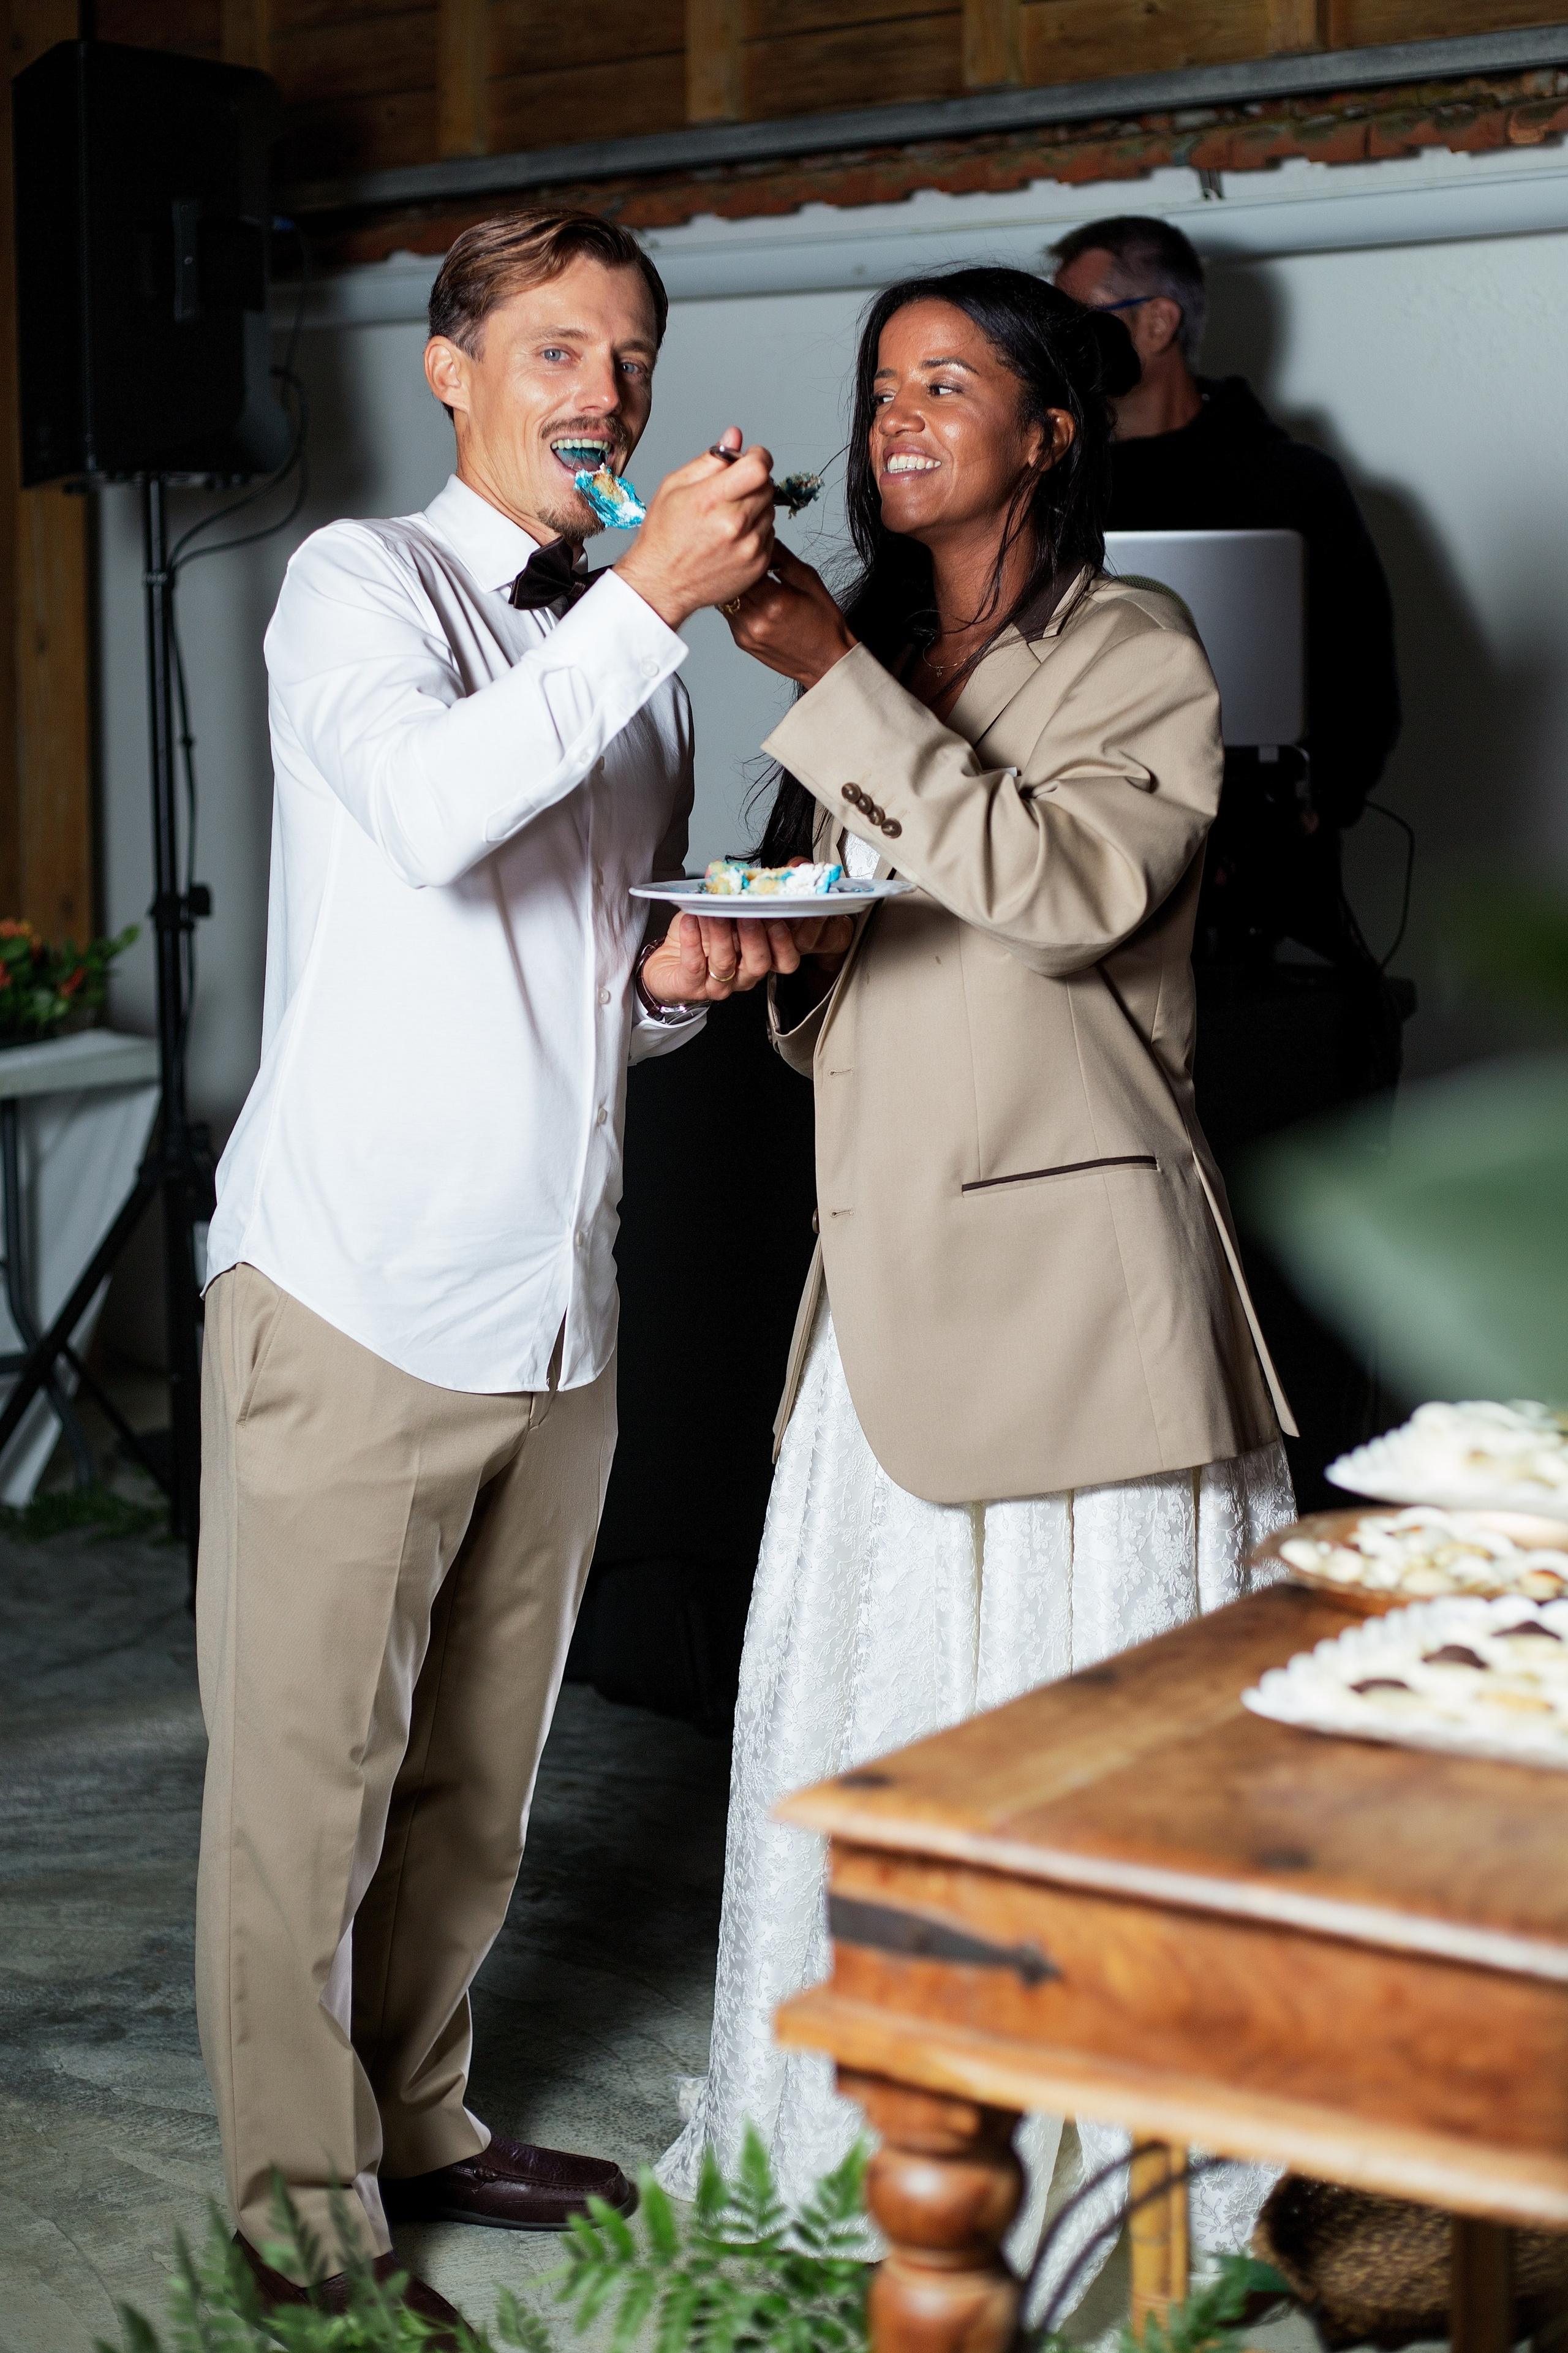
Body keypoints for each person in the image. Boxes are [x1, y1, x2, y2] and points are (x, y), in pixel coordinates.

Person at [195, 206, 833, 2335]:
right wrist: (652, 602)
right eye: (557, 349)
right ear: (452, 368)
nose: (607, 393)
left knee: (483, 1769)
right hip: (357, 1286)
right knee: (311, 1786)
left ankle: (428, 2117)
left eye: (633, 357)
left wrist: (677, 973)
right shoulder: (351, 588)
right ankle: (304, 2221)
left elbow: (573, 984)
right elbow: (440, 814)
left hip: (561, 1300)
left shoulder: (625, 666)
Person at [657, 266, 1295, 2303]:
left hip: (1076, 1299)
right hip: (879, 1281)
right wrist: (789, 970)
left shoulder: (1140, 649)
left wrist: (825, 668)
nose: (896, 418)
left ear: (1049, 435)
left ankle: (1122, 2188)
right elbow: (881, 949)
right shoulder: (877, 662)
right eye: (878, 388)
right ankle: (886, 2163)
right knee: (886, 1727)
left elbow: (1066, 897)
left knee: (1064, 1743)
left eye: (949, 383)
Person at [1052, 215, 1404, 1503]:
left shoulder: (1288, 485)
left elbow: (1364, 689)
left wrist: (1320, 802)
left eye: (1083, 310)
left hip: (1258, 920)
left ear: (1155, 322)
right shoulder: (1056, 484)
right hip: (1089, 903)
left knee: (1264, 1244)